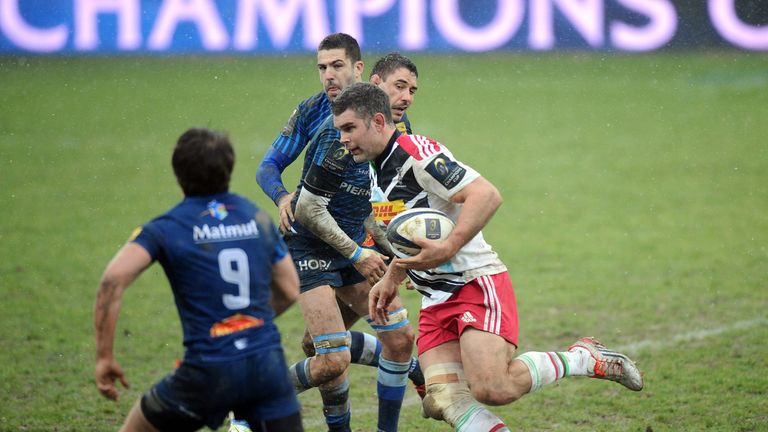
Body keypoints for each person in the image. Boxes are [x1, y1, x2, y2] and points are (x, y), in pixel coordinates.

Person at [329, 82, 645, 431]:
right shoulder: (374, 168)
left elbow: (486, 194)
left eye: (348, 128)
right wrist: (393, 275)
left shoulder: (416, 153)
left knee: (494, 388)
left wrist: (449, 248)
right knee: (443, 400)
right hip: (435, 298)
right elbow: (410, 235)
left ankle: (584, 358)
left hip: (474, 282)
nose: (343, 139)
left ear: (376, 121)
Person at [255, 33, 421, 431]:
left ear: (360, 70)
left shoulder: (390, 125)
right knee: (332, 357)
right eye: (322, 68)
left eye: (337, 66)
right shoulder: (321, 120)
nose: (329, 75)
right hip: (312, 241)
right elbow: (273, 172)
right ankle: (253, 403)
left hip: (354, 240)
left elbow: (383, 200)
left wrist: (402, 253)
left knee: (344, 346)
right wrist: (281, 197)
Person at [94, 128, 303, 432]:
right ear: (228, 168)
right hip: (267, 366)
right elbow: (289, 289)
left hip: (208, 372)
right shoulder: (256, 217)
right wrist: (245, 326)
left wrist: (104, 356)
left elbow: (113, 280)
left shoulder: (167, 227)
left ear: (178, 172)